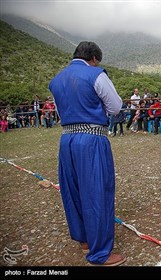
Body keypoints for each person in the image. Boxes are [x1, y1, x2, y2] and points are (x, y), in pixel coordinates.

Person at [48, 41, 125, 266]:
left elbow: (61, 111)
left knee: (73, 190)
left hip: (67, 140)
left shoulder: (56, 80)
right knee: (97, 191)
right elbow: (116, 107)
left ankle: (83, 238)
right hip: (91, 139)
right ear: (93, 59)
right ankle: (100, 252)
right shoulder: (95, 74)